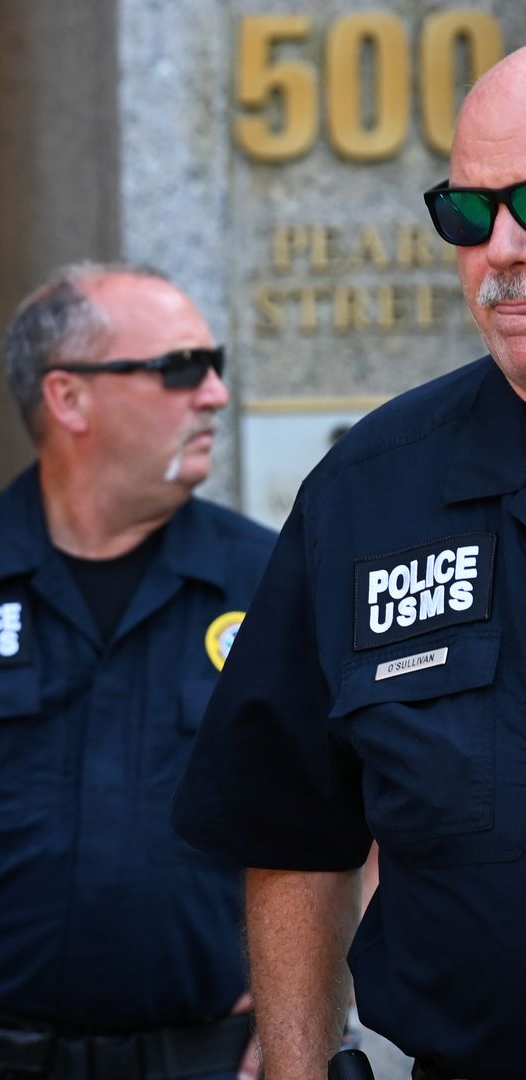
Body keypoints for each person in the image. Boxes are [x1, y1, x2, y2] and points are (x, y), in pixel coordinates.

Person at [172, 47, 526, 1080]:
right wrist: (296, 1067)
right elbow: (292, 827)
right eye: (469, 214)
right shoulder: (372, 489)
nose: (500, 249)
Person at [0, 263, 273, 1079]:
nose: (215, 394)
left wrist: (312, 1000)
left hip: (206, 1063)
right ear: (68, 399)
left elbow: (352, 811)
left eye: (216, 364)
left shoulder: (272, 583)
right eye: (182, 368)